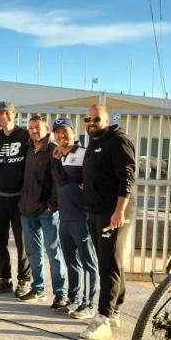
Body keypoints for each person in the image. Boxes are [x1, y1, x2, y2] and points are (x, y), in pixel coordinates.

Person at [79, 104, 136, 340]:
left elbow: (127, 177)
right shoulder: (94, 141)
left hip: (113, 211)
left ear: (107, 119)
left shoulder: (118, 141)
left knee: (108, 265)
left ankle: (103, 317)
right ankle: (114, 310)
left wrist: (119, 211)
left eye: (96, 119)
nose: (91, 123)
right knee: (112, 262)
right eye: (87, 119)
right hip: (95, 211)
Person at [51, 117, 99, 319]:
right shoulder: (58, 156)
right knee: (71, 262)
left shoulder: (84, 154)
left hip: (82, 218)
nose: (62, 135)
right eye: (58, 132)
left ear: (73, 131)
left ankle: (89, 304)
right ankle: (74, 300)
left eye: (65, 131)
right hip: (65, 218)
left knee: (88, 262)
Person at [18, 115, 67, 305]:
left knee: (54, 253)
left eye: (37, 127)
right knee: (33, 252)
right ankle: (38, 289)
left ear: (46, 128)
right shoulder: (29, 149)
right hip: (27, 210)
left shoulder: (54, 150)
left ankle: (60, 293)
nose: (34, 130)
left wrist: (51, 206)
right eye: (31, 127)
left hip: (47, 212)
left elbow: (59, 181)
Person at [0, 101, 32, 297]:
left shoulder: (25, 135)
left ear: (14, 114)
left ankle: (24, 280)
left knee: (23, 243)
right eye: (0, 114)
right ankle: (4, 279)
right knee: (0, 241)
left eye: (7, 113)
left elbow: (44, 144)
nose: (3, 117)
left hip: (20, 199)